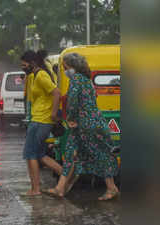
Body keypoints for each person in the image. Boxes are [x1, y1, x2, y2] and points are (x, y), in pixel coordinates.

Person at [46, 53, 120, 200]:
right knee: (72, 153)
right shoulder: (87, 80)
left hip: (85, 124)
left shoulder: (76, 79)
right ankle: (60, 188)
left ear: (74, 66)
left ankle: (112, 188)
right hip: (93, 122)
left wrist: (71, 119)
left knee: (98, 155)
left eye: (66, 67)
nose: (65, 70)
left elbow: (73, 102)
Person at [20, 50, 63, 196]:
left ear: (32, 63)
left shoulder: (41, 75)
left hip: (41, 120)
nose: (23, 67)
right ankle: (66, 177)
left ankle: (35, 189)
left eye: (24, 65)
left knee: (30, 154)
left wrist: (53, 113)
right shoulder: (34, 76)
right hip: (37, 119)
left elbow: (56, 93)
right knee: (39, 154)